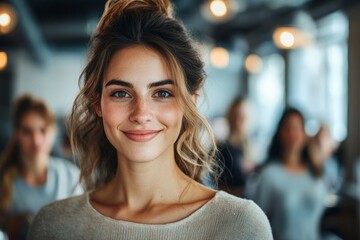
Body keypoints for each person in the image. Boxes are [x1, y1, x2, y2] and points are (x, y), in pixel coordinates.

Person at [28, 0, 272, 239]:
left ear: (192, 100)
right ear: (97, 103)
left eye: (162, 93)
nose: (141, 114)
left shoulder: (240, 225)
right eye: (121, 93)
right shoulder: (54, 225)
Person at [0, 94, 82, 239]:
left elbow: (82, 229)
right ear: (17, 133)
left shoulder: (71, 176)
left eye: (43, 130)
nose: (36, 140)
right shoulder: (4, 179)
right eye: (27, 131)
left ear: (53, 132)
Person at [252, 108, 327, 240]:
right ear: (280, 134)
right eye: (288, 128)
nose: (293, 133)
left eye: (297, 128)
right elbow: (257, 223)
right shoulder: (269, 174)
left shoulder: (316, 172)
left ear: (304, 134)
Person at [217, 96, 255, 197]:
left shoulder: (252, 148)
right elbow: (219, 188)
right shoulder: (221, 149)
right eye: (235, 116)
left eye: (242, 117)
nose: (238, 121)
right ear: (229, 117)